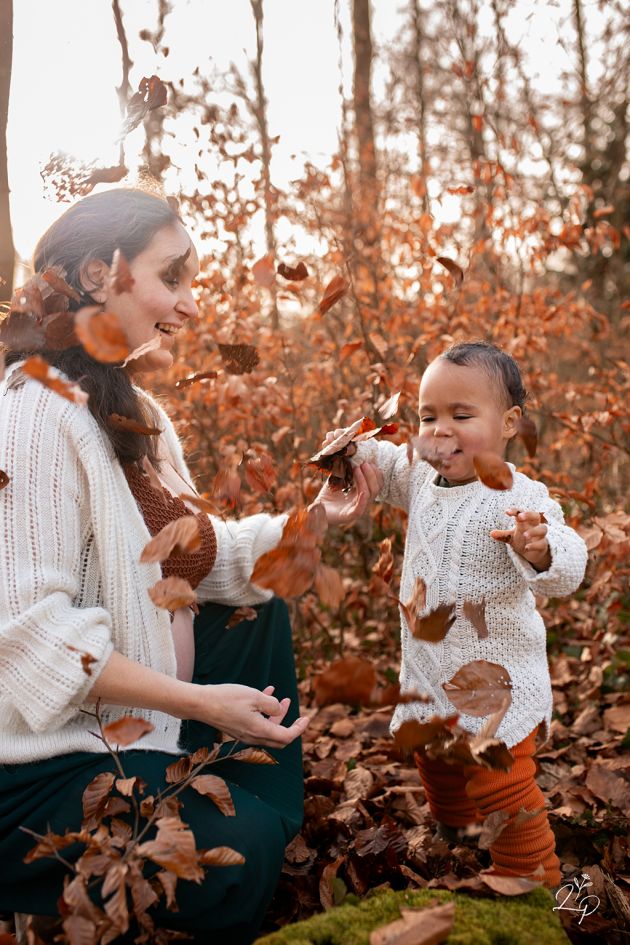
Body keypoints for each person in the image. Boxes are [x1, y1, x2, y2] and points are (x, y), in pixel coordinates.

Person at [0, 188, 381, 943]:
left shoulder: (135, 409)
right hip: (43, 766)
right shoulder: (34, 410)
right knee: (233, 856)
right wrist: (197, 702)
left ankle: (243, 817)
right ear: (96, 274)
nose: (191, 306)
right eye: (172, 277)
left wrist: (320, 517)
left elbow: (204, 555)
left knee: (257, 603)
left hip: (146, 734)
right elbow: (29, 639)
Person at [325, 341, 588, 888]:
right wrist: (350, 452)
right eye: (428, 416)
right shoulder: (423, 475)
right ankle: (459, 841)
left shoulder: (516, 496)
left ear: (508, 422)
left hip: (495, 686)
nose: (440, 430)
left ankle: (532, 879)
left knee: (498, 783)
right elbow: (389, 464)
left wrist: (538, 547)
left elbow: (570, 562)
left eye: (461, 416)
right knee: (438, 770)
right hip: (427, 674)